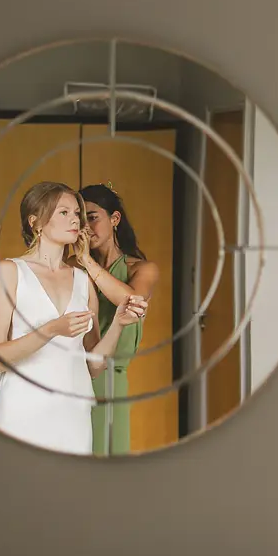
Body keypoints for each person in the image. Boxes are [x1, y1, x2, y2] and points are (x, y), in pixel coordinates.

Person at [0, 181, 148, 456]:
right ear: (36, 223)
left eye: (77, 213)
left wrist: (117, 323)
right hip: (24, 413)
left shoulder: (82, 281)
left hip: (75, 416)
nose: (76, 220)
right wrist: (51, 329)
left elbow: (93, 367)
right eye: (64, 212)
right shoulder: (8, 273)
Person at [78, 182, 160, 456]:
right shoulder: (71, 269)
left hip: (114, 378)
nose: (86, 228)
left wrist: (87, 261)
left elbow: (132, 301)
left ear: (114, 219)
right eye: (80, 220)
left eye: (93, 218)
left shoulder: (142, 268)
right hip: (77, 373)